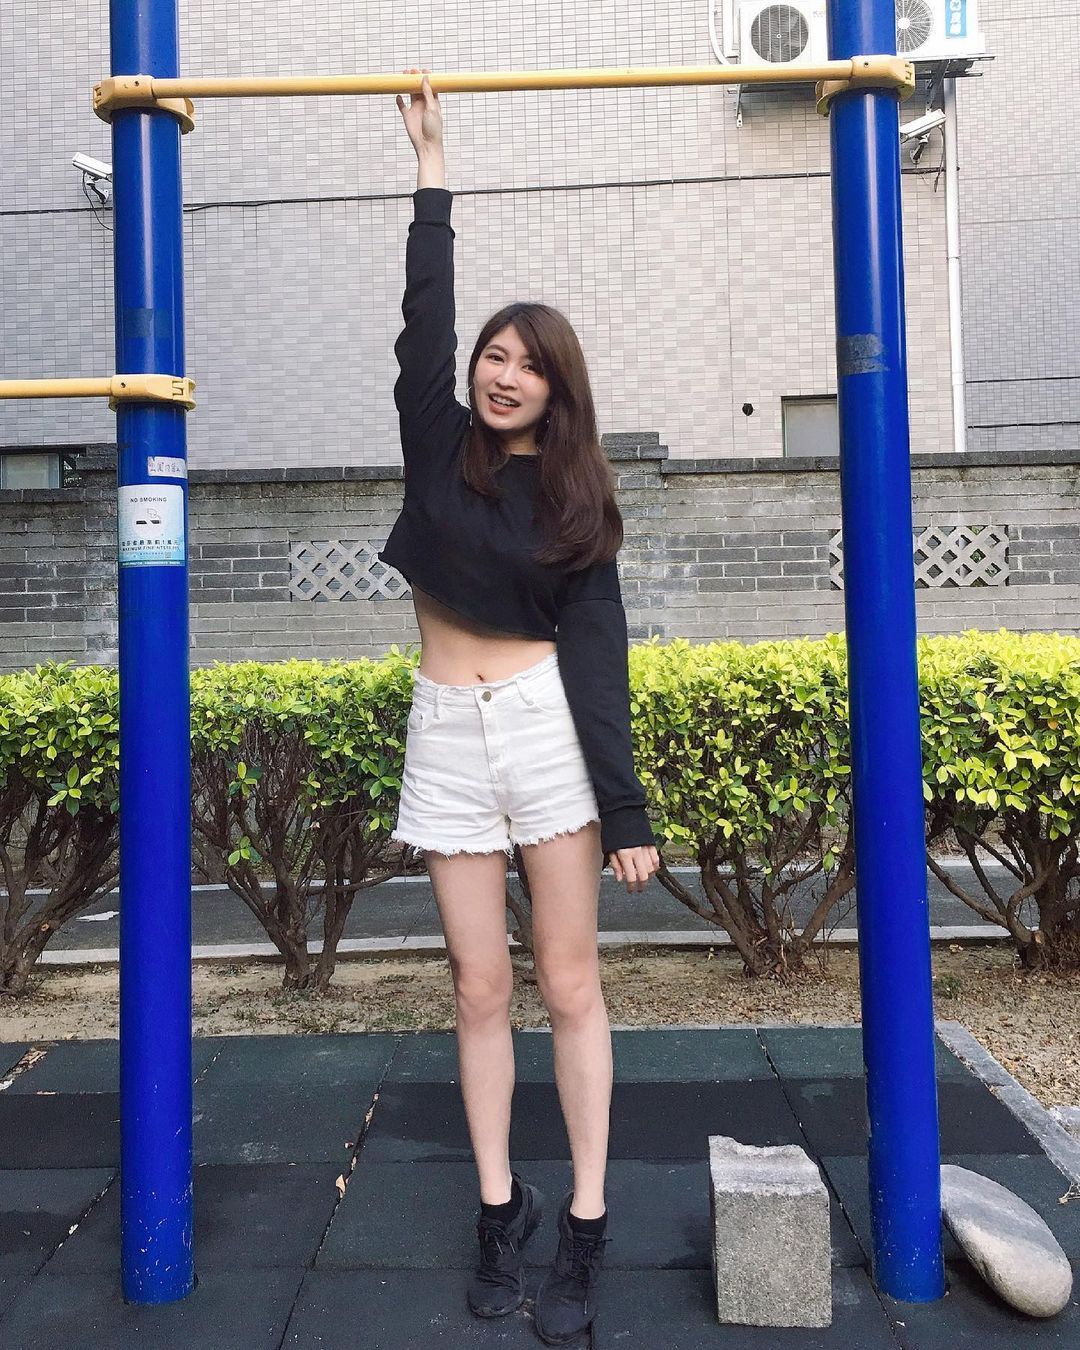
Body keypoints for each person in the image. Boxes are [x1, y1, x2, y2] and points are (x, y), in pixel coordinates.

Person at [381, 68, 661, 1345]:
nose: (502, 375)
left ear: (558, 389)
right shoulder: (436, 443)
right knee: (480, 986)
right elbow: (422, 323)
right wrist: (433, 172)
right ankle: (501, 1211)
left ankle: (587, 1224)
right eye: (495, 356)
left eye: (527, 366)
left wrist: (625, 805)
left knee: (570, 982)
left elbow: (598, 656)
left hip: (546, 733)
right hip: (446, 736)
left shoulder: (577, 503)